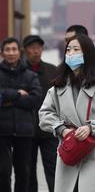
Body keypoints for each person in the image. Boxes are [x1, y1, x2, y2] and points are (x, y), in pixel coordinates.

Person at [39, 34, 95, 192]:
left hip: (94, 151)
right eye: (68, 50)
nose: (71, 53)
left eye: (76, 49)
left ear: (87, 53)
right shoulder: (58, 85)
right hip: (69, 151)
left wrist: (91, 127)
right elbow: (45, 114)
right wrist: (62, 129)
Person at [0, 37, 42, 192]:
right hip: (2, 131)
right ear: (2, 53)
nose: (11, 53)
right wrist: (18, 94)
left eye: (14, 49)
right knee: (3, 172)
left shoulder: (30, 76)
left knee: (24, 172)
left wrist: (8, 99)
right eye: (7, 50)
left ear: (20, 52)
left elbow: (36, 100)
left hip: (24, 131)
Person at [23, 35, 58, 192]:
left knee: (53, 170)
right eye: (32, 48)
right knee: (28, 171)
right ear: (25, 51)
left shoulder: (53, 70)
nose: (35, 51)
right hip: (26, 129)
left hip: (49, 130)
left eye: (38, 47)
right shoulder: (20, 71)